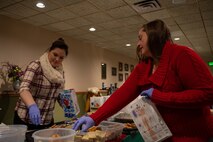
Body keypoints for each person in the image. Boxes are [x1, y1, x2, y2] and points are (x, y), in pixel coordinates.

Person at [73, 19, 213, 141]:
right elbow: (121, 95)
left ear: (154, 35)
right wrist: (95, 117)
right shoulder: (144, 66)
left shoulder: (182, 55)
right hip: (164, 136)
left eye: (141, 38)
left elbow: (208, 93)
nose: (138, 43)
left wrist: (160, 97)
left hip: (193, 135)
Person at [14, 38, 69, 130]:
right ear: (49, 51)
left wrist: (68, 105)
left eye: (61, 57)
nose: (57, 59)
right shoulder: (36, 65)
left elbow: (58, 94)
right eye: (55, 54)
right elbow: (23, 88)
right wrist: (32, 106)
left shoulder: (60, 73)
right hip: (26, 119)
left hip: (47, 120)